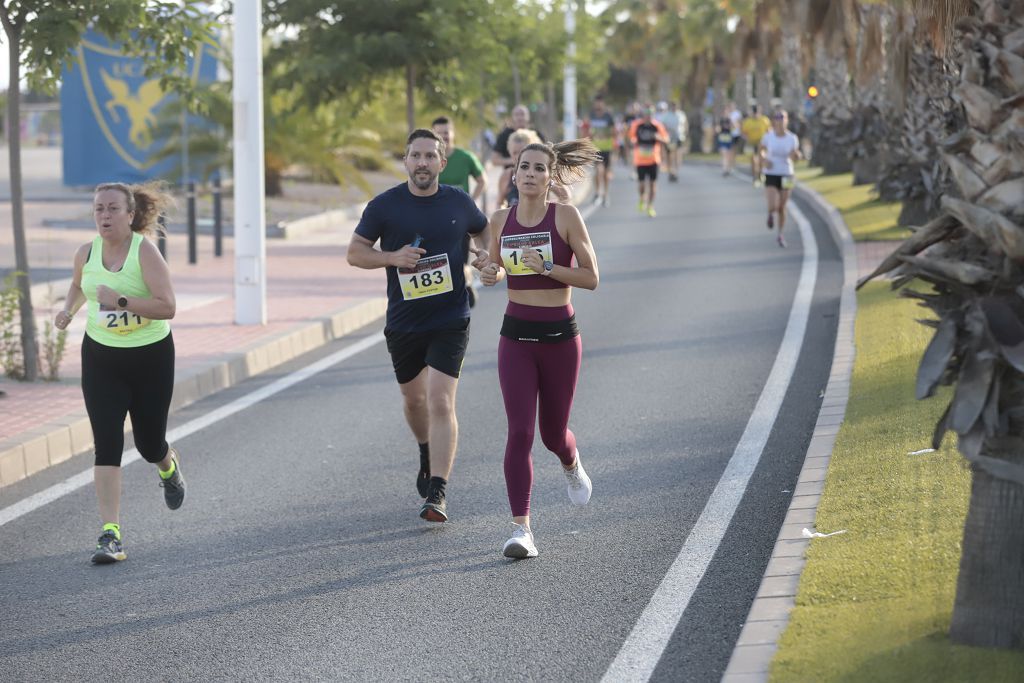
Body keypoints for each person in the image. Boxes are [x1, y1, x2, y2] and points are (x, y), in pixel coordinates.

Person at [347, 129, 490, 522]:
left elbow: (481, 228)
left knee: (441, 400)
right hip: (405, 321)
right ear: (406, 161)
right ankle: (426, 450)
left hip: (451, 318)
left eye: (431, 156)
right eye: (416, 156)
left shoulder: (459, 201)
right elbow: (355, 253)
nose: (423, 163)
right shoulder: (385, 206)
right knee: (415, 401)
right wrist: (393, 258)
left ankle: (438, 492)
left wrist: (483, 254)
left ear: (443, 163)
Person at [477, 139, 600, 558]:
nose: (529, 174)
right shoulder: (499, 219)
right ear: (514, 174)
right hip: (516, 336)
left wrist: (547, 267)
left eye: (538, 169)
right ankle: (521, 529)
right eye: (523, 167)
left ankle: (571, 462)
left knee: (552, 435)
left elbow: (591, 277)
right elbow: (492, 268)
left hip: (560, 337)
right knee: (520, 432)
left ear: (550, 177)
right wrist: (489, 272)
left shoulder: (565, 216)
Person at [54, 182, 183, 564]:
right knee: (107, 444)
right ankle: (110, 534)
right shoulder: (86, 252)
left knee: (147, 443)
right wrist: (68, 310)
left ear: (130, 215)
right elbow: (80, 285)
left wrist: (122, 300)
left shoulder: (146, 253)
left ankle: (168, 466)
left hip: (150, 357)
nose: (105, 216)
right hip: (101, 357)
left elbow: (168, 307)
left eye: (112, 209)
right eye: (98, 209)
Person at [433, 116, 488, 307]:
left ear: (453, 133)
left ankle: (466, 284)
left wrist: (470, 201)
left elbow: (483, 180)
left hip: (460, 220)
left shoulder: (465, 157)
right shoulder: (431, 160)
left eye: (447, 132)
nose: (444, 136)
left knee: (461, 259)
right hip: (435, 220)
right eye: (439, 133)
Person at [759, 110, 803, 248]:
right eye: (777, 118)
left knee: (782, 207)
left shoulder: (792, 138)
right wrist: (764, 159)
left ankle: (780, 234)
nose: (780, 120)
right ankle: (770, 214)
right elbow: (761, 150)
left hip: (787, 173)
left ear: (787, 120)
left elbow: (796, 156)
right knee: (773, 206)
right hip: (771, 172)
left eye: (782, 118)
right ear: (774, 121)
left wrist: (796, 155)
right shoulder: (768, 136)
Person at [628, 105, 669, 217]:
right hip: (640, 160)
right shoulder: (637, 125)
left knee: (652, 184)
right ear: (643, 114)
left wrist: (659, 138)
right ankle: (642, 199)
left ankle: (650, 206)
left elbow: (666, 139)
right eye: (646, 114)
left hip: (654, 160)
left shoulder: (657, 126)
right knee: (641, 185)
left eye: (650, 114)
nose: (648, 116)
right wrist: (633, 141)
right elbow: (631, 137)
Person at [498, 128, 543, 208]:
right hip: (513, 220)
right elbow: (499, 203)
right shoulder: (507, 176)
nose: (518, 156)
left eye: (522, 152)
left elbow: (565, 196)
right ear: (510, 153)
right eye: (514, 152)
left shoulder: (543, 174)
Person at [491, 104, 545, 169]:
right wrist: (514, 160)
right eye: (516, 114)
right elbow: (494, 160)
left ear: (528, 117)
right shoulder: (504, 135)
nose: (519, 117)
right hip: (511, 173)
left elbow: (545, 156)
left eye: (522, 114)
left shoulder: (536, 134)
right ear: (512, 117)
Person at [585, 95, 616, 206]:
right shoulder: (592, 115)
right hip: (595, 148)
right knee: (598, 171)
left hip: (607, 148)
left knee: (606, 174)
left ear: (603, 103)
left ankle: (605, 194)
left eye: (600, 102)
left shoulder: (608, 116)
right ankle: (597, 193)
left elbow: (614, 132)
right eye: (596, 103)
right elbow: (588, 130)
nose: (598, 105)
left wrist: (604, 134)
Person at [741, 105, 772, 187]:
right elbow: (744, 133)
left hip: (762, 143)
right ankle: (755, 177)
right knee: (754, 161)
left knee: (761, 159)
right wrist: (747, 138)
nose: (755, 115)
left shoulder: (765, 120)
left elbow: (769, 131)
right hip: (751, 143)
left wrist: (768, 141)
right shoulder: (747, 121)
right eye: (754, 113)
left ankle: (761, 174)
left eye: (757, 113)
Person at [654, 100, 685, 182]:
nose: (674, 108)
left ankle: (676, 170)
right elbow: (662, 126)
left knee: (677, 155)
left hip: (679, 137)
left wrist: (685, 132)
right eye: (673, 106)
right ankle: (671, 172)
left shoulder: (681, 115)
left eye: (675, 106)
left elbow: (685, 125)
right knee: (670, 155)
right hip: (670, 138)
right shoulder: (666, 116)